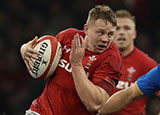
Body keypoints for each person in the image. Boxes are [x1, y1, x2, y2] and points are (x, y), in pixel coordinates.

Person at [20, 5, 122, 115]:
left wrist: (76, 64)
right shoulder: (68, 36)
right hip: (40, 110)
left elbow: (95, 104)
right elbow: (44, 55)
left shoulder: (112, 58)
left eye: (110, 34)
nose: (105, 39)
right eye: (101, 32)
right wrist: (25, 49)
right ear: (86, 29)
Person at [110, 10, 157, 115]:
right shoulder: (99, 58)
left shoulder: (146, 63)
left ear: (134, 33)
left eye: (126, 28)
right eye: (117, 28)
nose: (122, 32)